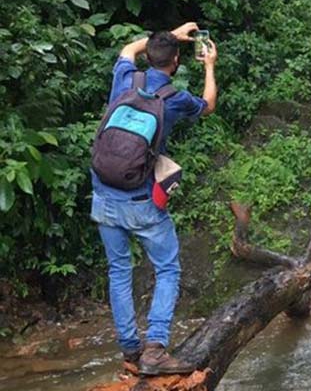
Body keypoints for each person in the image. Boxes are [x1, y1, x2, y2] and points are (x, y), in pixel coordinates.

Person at [90, 22, 218, 375]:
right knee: (167, 268)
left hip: (102, 193)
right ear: (176, 62)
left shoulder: (126, 79)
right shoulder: (174, 98)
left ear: (151, 55)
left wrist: (168, 36)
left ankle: (131, 350)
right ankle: (155, 350)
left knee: (118, 271)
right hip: (140, 202)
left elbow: (129, 50)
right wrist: (209, 66)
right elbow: (208, 105)